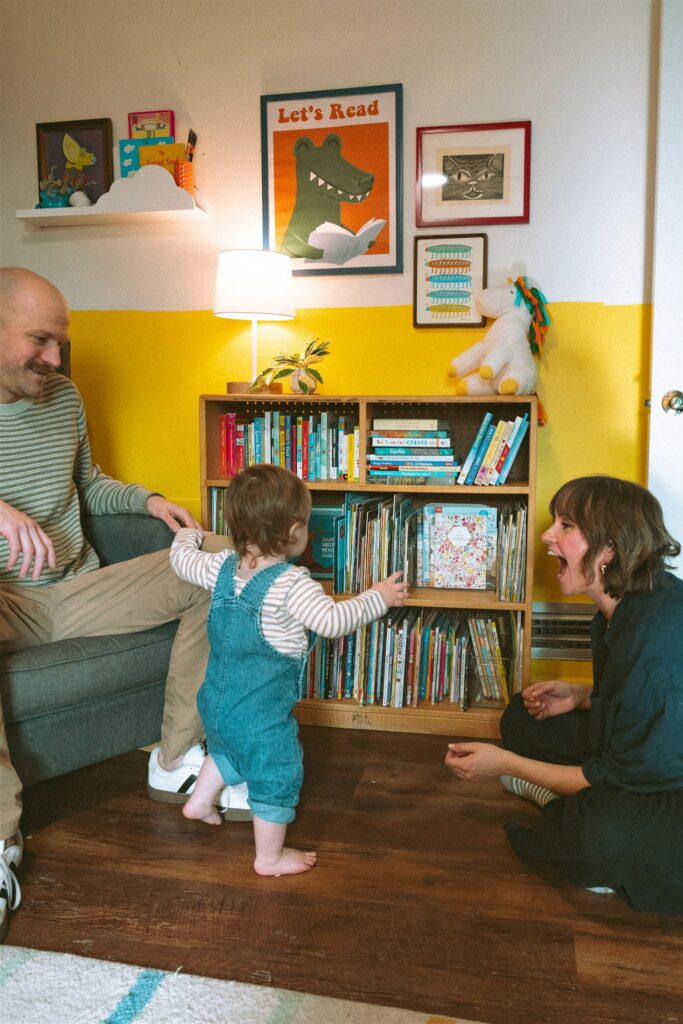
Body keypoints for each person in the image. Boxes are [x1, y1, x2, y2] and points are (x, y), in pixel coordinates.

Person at [0, 267, 240, 942]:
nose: (53, 359)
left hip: (76, 591)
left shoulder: (63, 398)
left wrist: (148, 501)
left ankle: (174, 760)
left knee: (220, 560)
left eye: (60, 344)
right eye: (39, 341)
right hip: (6, 601)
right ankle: (0, 842)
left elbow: (88, 482)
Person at [445, 475, 683, 914]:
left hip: (667, 786)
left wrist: (508, 765)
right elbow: (639, 705)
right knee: (521, 717)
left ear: (609, 548)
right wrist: (580, 696)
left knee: (594, 838)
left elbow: (621, 768)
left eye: (566, 525)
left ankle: (567, 808)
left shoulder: (657, 633)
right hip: (644, 754)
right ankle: (565, 797)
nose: (546, 536)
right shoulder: (625, 607)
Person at [170, 463, 408, 876]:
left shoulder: (221, 567)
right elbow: (333, 621)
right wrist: (379, 597)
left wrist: (188, 534)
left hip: (215, 703)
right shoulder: (292, 584)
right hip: (261, 715)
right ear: (294, 531)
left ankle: (199, 801)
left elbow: (182, 560)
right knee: (276, 770)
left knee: (227, 749)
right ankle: (270, 858)